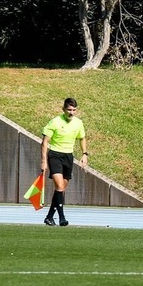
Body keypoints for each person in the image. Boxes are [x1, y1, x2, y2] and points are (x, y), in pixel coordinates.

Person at [40, 97, 88, 226]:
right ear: (63, 109)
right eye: (69, 110)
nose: (71, 112)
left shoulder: (78, 123)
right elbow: (45, 143)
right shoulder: (55, 122)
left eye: (74, 110)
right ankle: (62, 218)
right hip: (55, 155)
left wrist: (84, 154)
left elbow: (82, 138)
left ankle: (49, 217)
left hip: (68, 156)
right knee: (59, 186)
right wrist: (44, 161)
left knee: (61, 190)